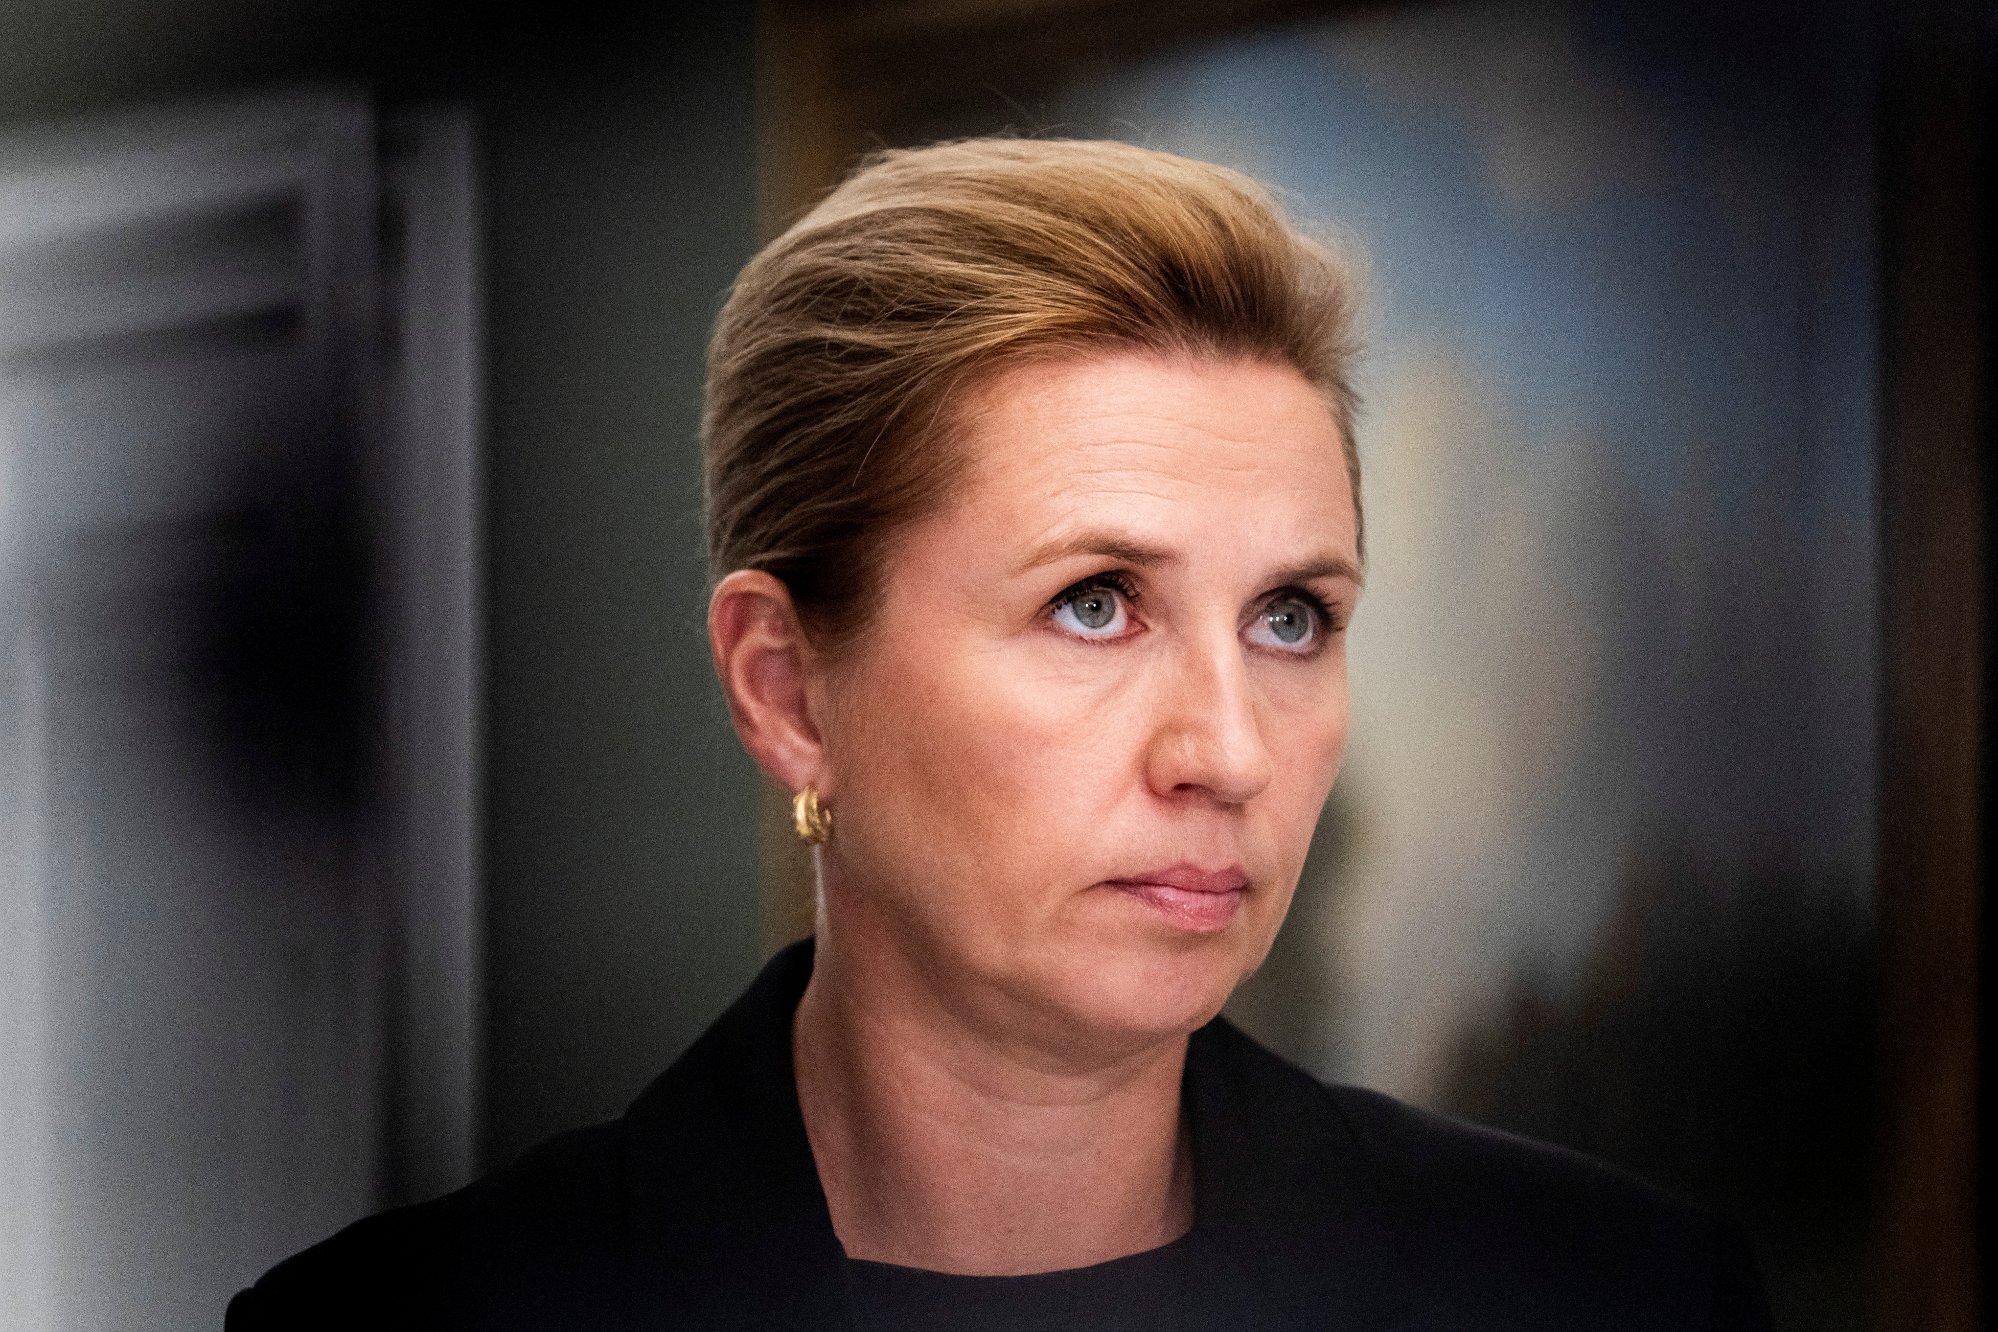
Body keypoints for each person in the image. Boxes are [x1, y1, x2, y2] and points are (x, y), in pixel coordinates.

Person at [228, 138, 1773, 1330]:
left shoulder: (1614, 1297)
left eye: (1290, 617)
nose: (1227, 752)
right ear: (786, 690)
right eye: (1094, 603)